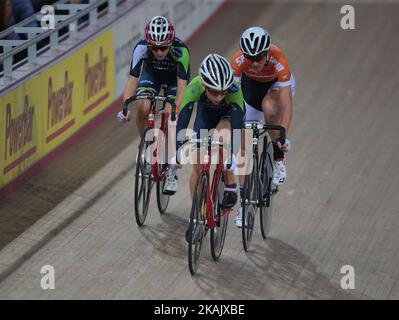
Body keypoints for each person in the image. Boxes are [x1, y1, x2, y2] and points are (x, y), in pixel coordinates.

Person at [170, 53, 244, 241]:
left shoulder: (234, 90)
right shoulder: (194, 87)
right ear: (204, 85)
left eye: (223, 92)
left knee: (223, 139)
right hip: (205, 117)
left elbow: (237, 129)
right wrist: (178, 150)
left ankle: (229, 185)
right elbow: (183, 122)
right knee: (198, 163)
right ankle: (196, 215)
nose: (219, 97)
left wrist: (232, 156)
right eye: (214, 92)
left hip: (227, 118)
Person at [230, 26, 295, 227]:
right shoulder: (238, 61)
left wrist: (283, 134)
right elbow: (233, 98)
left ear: (266, 52)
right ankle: (243, 205)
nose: (254, 62)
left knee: (270, 108)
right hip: (250, 89)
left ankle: (278, 157)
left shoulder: (278, 59)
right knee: (244, 145)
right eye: (250, 58)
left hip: (275, 86)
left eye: (258, 57)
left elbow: (285, 104)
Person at [117, 16, 190, 193]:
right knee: (142, 105)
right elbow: (132, 80)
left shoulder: (181, 51)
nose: (159, 52)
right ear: (149, 44)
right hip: (152, 76)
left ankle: (172, 171)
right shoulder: (141, 48)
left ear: (170, 43)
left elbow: (182, 88)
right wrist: (125, 107)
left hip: (174, 81)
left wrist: (176, 110)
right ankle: (145, 143)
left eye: (163, 47)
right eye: (155, 47)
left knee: (169, 114)